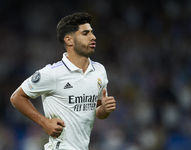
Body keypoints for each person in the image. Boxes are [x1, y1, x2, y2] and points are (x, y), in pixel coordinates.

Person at [10, 12, 116, 150]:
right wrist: (44, 122)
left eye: (92, 32)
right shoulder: (52, 73)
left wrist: (105, 109)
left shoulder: (99, 70)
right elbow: (16, 97)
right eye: (85, 33)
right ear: (69, 40)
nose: (93, 37)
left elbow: (97, 110)